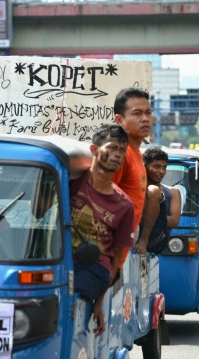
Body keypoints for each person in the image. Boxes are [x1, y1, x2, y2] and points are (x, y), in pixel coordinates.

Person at [70, 125, 135, 337]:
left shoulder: (124, 205)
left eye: (122, 151)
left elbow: (116, 258)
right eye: (113, 147)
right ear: (94, 149)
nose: (118, 155)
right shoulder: (71, 183)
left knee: (67, 299)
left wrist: (99, 302)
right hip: (60, 261)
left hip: (93, 270)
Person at [113, 87, 161, 255]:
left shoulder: (137, 154)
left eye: (148, 112)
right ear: (119, 119)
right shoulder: (120, 155)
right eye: (137, 113)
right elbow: (101, 204)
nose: (145, 119)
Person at [143, 147, 182, 251]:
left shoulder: (173, 192)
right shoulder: (136, 189)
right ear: (144, 167)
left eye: (164, 167)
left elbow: (174, 221)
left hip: (156, 240)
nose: (161, 171)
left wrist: (144, 218)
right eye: (157, 167)